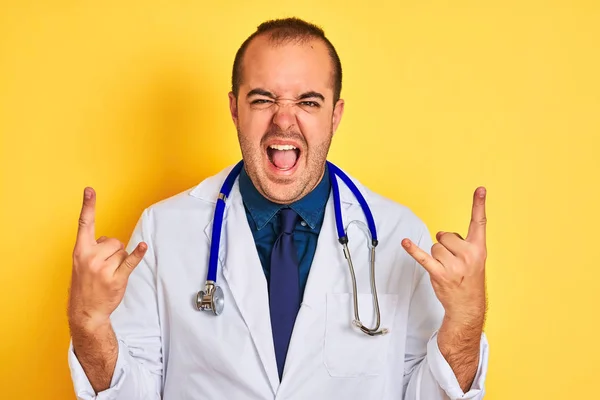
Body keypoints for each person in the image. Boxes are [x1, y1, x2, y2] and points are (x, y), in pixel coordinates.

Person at [67, 17, 489, 400]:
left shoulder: (398, 233)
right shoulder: (162, 231)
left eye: (308, 102)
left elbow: (430, 395)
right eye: (263, 99)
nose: (284, 122)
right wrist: (89, 324)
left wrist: (466, 321)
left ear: (335, 115)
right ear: (234, 108)